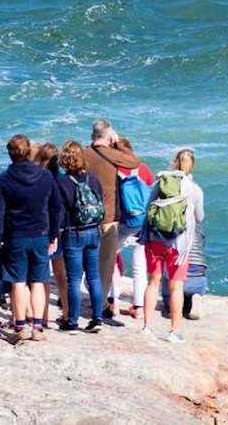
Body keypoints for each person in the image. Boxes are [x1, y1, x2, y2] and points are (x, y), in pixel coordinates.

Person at [0, 133, 58, 344]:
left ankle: (20, 326)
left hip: (15, 236)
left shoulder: (3, 179)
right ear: (29, 151)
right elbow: (56, 207)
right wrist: (54, 234)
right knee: (39, 280)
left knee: (18, 282)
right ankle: (37, 327)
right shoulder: (45, 176)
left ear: (9, 154)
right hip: (40, 234)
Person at [139, 148, 205, 343]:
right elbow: (200, 217)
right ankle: (174, 331)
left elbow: (147, 207)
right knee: (176, 287)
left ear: (174, 163)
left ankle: (147, 327)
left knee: (153, 282)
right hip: (178, 245)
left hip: (154, 240)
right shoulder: (194, 189)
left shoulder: (160, 183)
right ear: (192, 165)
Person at [84, 119, 144, 323]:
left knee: (83, 260)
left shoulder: (84, 154)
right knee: (106, 261)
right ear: (109, 136)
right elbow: (134, 162)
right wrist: (118, 144)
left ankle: (74, 301)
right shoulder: (111, 154)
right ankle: (99, 305)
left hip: (83, 216)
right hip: (107, 217)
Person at [55, 140, 104, 334]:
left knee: (74, 278)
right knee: (93, 276)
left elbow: (59, 212)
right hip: (93, 230)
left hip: (73, 232)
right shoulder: (93, 179)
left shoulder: (62, 182)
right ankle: (97, 318)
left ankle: (73, 321)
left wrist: (55, 234)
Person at [32, 141, 67, 327]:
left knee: (42, 274)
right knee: (61, 273)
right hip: (60, 229)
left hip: (43, 229)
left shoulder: (40, 179)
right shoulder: (62, 179)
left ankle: (43, 315)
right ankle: (67, 311)